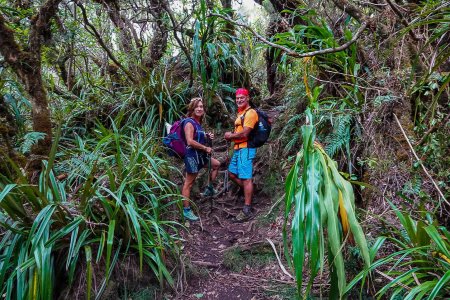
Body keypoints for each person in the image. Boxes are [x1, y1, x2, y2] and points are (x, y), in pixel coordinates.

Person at [182, 98, 220, 221]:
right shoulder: (189, 122)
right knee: (189, 183)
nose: (199, 109)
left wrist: (207, 136)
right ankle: (186, 210)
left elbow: (197, 137)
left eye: (201, 106)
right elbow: (190, 141)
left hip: (201, 156)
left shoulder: (197, 123)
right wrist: (205, 147)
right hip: (192, 156)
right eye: (196, 107)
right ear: (192, 109)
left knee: (216, 165)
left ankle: (209, 189)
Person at [224, 88, 258, 222]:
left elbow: (245, 133)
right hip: (238, 149)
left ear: (247, 98)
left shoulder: (251, 113)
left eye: (242, 98)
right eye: (237, 98)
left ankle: (247, 209)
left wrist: (230, 136)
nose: (239, 100)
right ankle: (249, 192)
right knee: (232, 173)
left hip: (246, 149)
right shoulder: (241, 113)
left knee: (246, 178)